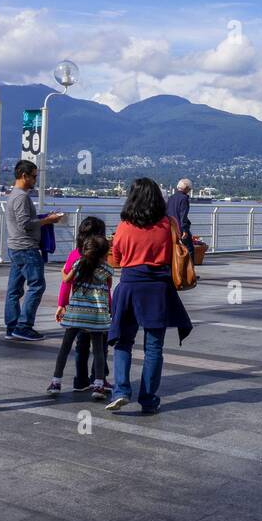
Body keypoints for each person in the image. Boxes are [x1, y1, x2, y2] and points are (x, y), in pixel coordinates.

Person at [106, 177, 193, 413]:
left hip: (130, 285)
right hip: (158, 287)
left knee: (123, 342)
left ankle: (121, 390)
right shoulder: (168, 223)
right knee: (154, 348)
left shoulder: (124, 226)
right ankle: (148, 399)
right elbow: (175, 249)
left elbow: (117, 259)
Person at [4, 160, 64, 341]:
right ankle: (24, 326)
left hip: (15, 246)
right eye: (34, 176)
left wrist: (42, 218)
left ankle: (12, 326)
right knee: (37, 285)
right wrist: (48, 220)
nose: (35, 180)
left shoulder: (13, 195)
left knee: (14, 289)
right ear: (24, 176)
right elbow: (25, 224)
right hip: (26, 248)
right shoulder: (21, 197)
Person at [49, 234, 114, 399]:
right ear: (103, 254)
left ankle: (56, 381)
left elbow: (66, 280)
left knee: (65, 348)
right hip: (96, 316)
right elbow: (108, 286)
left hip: (76, 314)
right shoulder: (106, 269)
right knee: (99, 350)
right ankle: (98, 385)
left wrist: (63, 270)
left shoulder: (78, 264)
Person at [167, 178, 194, 248]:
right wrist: (185, 230)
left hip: (171, 228)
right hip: (180, 229)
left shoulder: (171, 198)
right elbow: (183, 216)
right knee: (189, 249)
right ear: (186, 188)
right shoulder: (184, 199)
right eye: (189, 188)